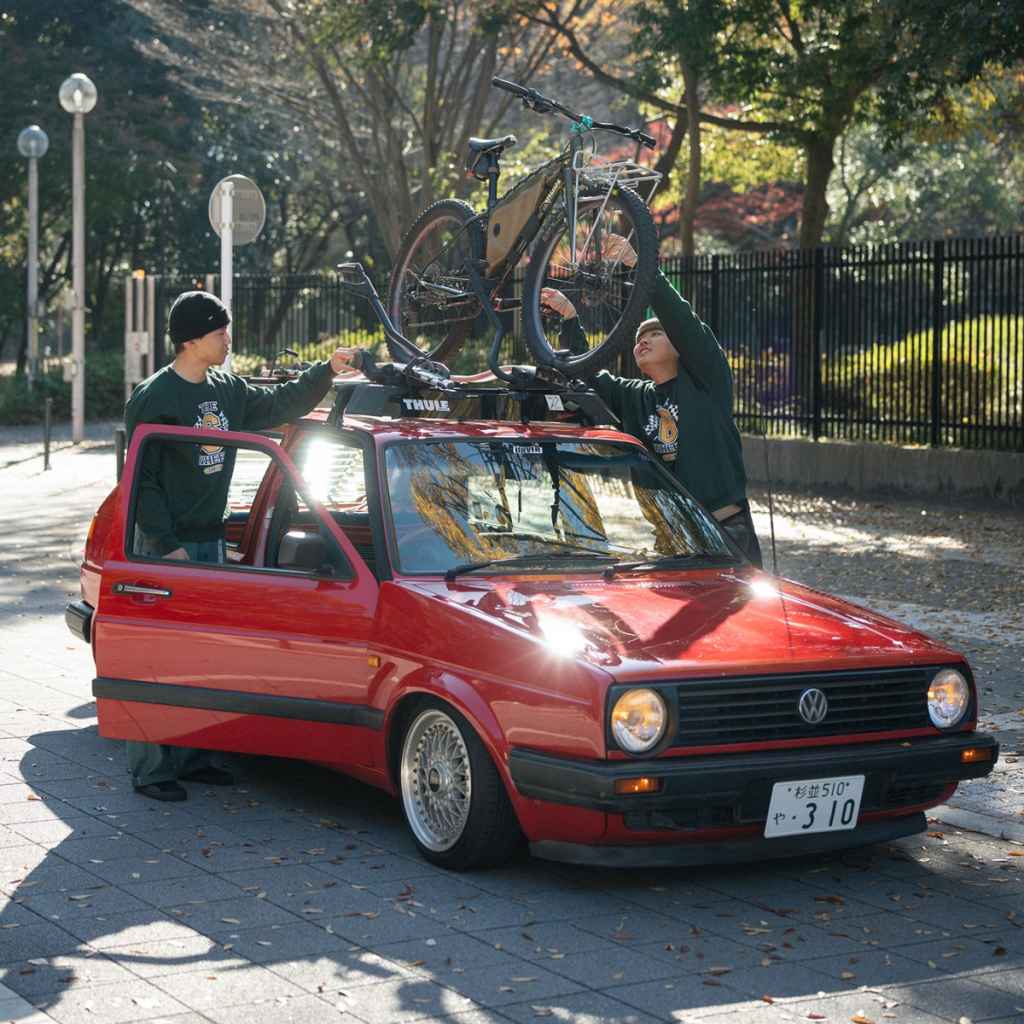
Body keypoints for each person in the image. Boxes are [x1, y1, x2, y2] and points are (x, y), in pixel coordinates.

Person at [123, 289, 354, 801]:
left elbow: (277, 405)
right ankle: (153, 770)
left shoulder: (227, 388)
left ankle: (198, 757)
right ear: (191, 339)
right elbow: (143, 482)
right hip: (165, 548)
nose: (229, 339)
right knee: (159, 660)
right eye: (220, 331)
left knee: (204, 656)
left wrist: (327, 370)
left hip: (210, 539)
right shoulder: (154, 398)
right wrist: (166, 545)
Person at [542, 235, 762, 566]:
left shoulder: (707, 380)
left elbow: (682, 321)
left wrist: (641, 267)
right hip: (672, 540)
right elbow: (587, 374)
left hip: (726, 536)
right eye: (639, 338)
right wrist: (570, 317)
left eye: (655, 334)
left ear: (680, 346)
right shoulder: (635, 397)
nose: (644, 341)